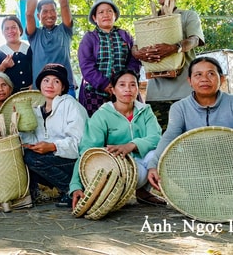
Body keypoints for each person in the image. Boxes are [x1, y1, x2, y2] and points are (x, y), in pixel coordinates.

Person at [70, 69, 163, 208]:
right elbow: (87, 150)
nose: (128, 89)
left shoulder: (145, 111)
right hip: (122, 168)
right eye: (122, 85)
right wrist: (75, 186)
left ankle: (143, 192)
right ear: (113, 90)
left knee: (160, 155)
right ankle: (128, 191)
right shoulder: (102, 115)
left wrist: (131, 145)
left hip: (145, 160)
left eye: (132, 85)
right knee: (137, 172)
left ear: (138, 89)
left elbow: (156, 137)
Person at [147, 57, 233, 191]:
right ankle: (199, 192)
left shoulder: (231, 102)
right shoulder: (179, 107)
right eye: (198, 75)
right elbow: (169, 137)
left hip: (228, 161)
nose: (204, 79)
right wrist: (154, 164)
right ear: (190, 81)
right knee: (170, 162)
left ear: (221, 79)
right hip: (196, 166)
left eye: (211, 74)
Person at [132, 0, 205, 131]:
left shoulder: (188, 16)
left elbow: (195, 40)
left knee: (188, 138)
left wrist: (175, 47)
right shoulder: (148, 21)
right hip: (156, 94)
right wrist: (137, 54)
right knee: (161, 140)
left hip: (185, 93)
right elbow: (135, 46)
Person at [19, 63, 88, 207]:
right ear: (40, 85)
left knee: (32, 159)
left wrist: (52, 146)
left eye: (56, 81)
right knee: (23, 157)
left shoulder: (70, 105)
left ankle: (72, 190)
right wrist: (22, 126)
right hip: (52, 160)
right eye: (46, 80)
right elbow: (35, 139)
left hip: (75, 162)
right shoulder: (37, 111)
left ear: (62, 87)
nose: (50, 84)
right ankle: (33, 194)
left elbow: (79, 143)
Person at [78, 0, 141, 116]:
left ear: (115, 15)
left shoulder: (125, 36)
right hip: (96, 94)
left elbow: (134, 60)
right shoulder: (89, 38)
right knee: (99, 128)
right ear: (94, 18)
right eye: (101, 12)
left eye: (109, 11)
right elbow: (86, 66)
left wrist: (123, 83)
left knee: (125, 126)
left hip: (124, 93)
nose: (105, 14)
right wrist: (106, 85)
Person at [25, 0, 75, 97]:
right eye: (45, 11)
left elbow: (65, 5)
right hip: (40, 90)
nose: (49, 14)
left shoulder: (64, 30)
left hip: (66, 88)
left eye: (52, 10)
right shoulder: (35, 34)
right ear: (39, 15)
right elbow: (28, 13)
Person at [0, 16, 33, 93]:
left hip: (32, 95)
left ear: (20, 30)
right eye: (7, 29)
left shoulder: (31, 50)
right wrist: (3, 66)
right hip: (8, 98)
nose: (10, 31)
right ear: (2, 32)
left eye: (14, 27)